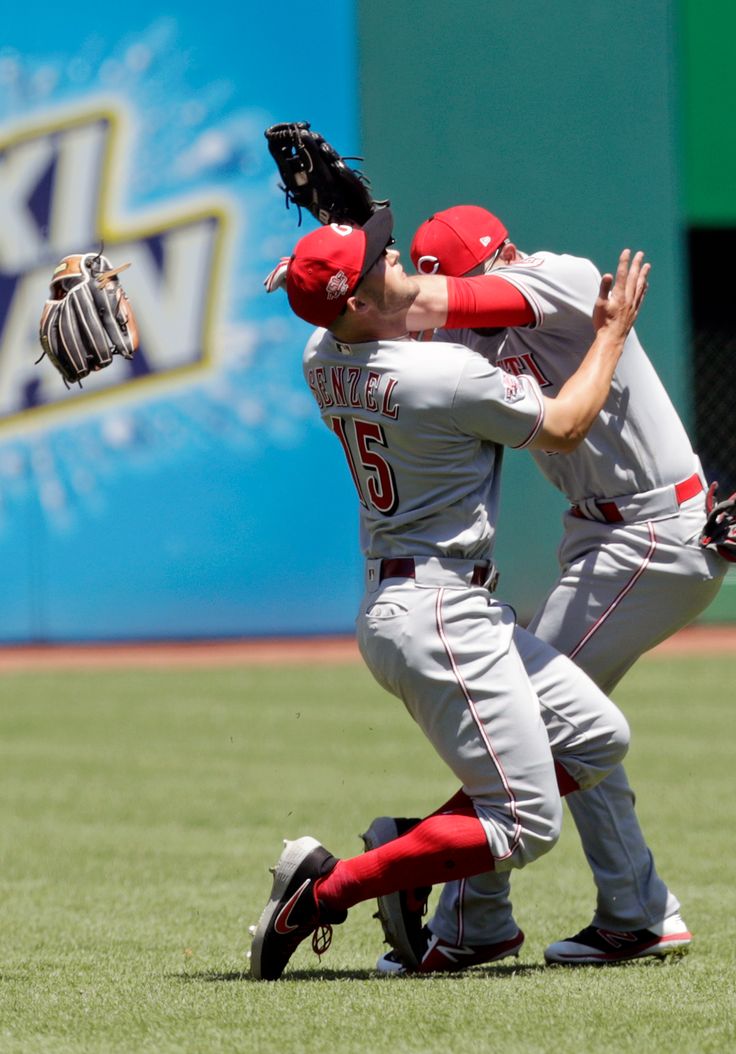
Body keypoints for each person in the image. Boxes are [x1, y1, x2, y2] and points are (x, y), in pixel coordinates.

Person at [248, 206, 649, 981]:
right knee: (528, 824)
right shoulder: (437, 374)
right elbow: (565, 424)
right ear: (360, 304)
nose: (394, 256)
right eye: (378, 262)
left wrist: (317, 262)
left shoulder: (318, 354)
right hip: (440, 615)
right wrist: (611, 333)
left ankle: (403, 846)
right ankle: (325, 893)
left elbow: (342, 309)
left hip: (427, 604)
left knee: (599, 738)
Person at [365, 204, 736, 974]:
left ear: (503, 254)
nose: (458, 298)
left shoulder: (563, 277)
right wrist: (337, 256)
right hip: (608, 533)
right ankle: (635, 912)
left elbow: (437, 304)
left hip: (649, 535)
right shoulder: (461, 329)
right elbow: (384, 326)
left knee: (526, 709)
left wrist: (388, 262)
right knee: (568, 725)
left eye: (468, 279)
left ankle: (476, 920)